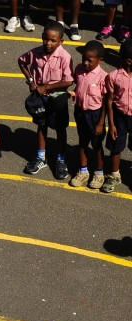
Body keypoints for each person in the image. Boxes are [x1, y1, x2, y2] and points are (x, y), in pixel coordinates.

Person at [19, 21, 74, 180]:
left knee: (60, 128)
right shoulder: (35, 53)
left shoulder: (65, 57)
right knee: (41, 125)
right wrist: (30, 81)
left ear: (61, 41)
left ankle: (60, 160)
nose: (48, 43)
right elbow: (22, 62)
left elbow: (68, 81)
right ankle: (41, 157)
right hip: (40, 99)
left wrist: (46, 87)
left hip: (57, 99)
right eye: (45, 39)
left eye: (53, 40)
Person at [69, 40, 107, 189]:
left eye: (89, 60)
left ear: (100, 60)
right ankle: (83, 171)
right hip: (80, 111)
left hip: (95, 115)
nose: (85, 63)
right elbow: (76, 84)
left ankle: (99, 173)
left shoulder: (103, 77)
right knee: (83, 141)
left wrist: (100, 123)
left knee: (97, 145)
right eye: (83, 58)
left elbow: (105, 102)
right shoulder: (78, 69)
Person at [103, 39, 132, 193]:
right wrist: (112, 124)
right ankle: (114, 175)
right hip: (119, 117)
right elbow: (109, 100)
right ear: (129, 61)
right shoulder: (113, 76)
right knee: (116, 147)